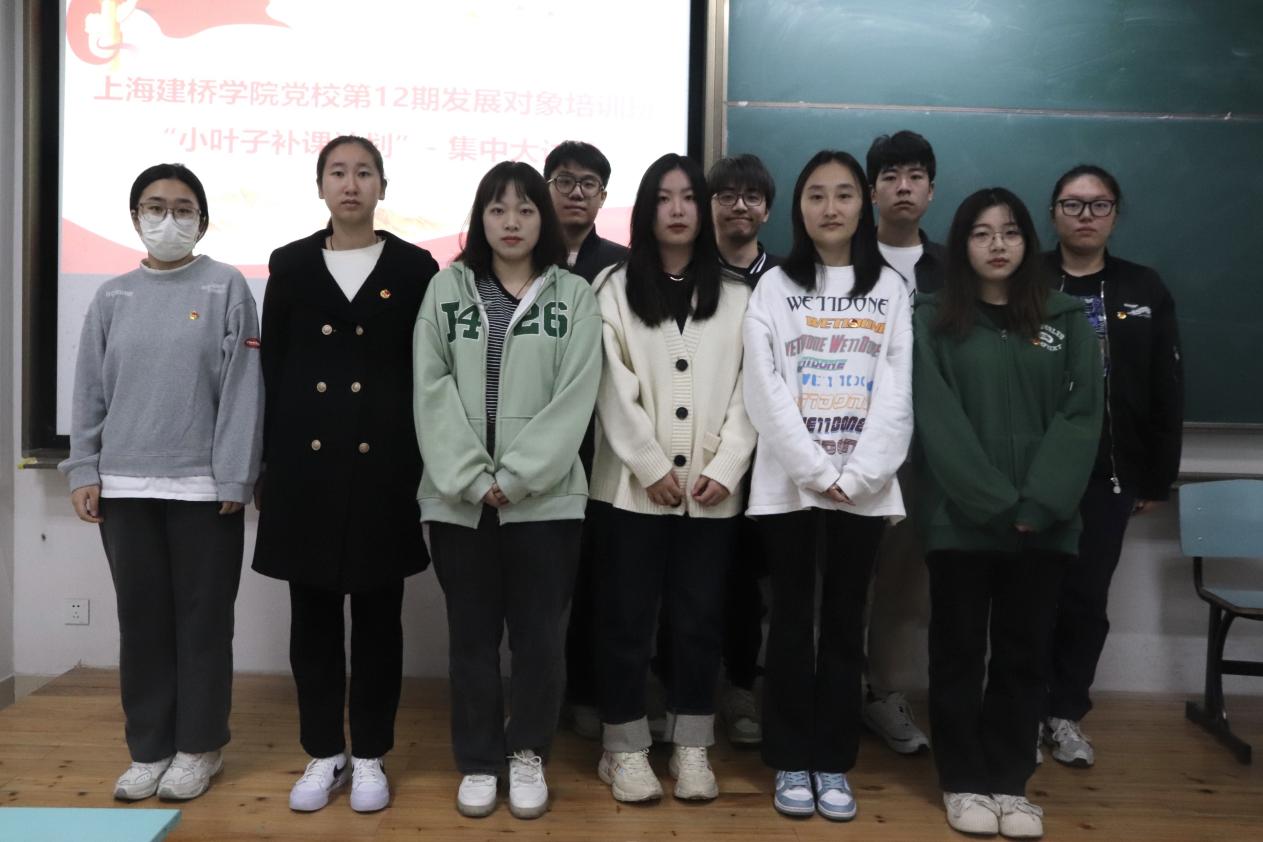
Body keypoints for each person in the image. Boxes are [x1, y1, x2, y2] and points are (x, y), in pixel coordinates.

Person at [60, 163, 263, 802]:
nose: (167, 219)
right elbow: (89, 389)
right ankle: (148, 749)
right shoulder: (111, 296)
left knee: (203, 625)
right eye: (154, 207)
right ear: (135, 217)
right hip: (124, 487)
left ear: (202, 220)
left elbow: (243, 390)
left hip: (203, 489)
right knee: (142, 624)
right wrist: (84, 467)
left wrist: (236, 474)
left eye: (182, 208)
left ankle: (199, 749)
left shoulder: (228, 286)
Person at [251, 135, 439, 814]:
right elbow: (272, 367)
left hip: (384, 467)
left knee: (380, 621)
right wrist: (266, 465)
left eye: (363, 172)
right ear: (320, 185)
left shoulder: (415, 267)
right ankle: (323, 752)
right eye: (338, 172)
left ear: (382, 185)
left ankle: (370, 756)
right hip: (306, 470)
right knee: (313, 622)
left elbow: (427, 370)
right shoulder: (292, 264)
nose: (350, 183)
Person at [413, 161, 602, 819]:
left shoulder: (573, 295)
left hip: (545, 501)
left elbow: (576, 396)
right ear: (481, 218)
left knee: (539, 640)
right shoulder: (446, 288)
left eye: (525, 209)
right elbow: (429, 388)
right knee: (470, 638)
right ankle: (477, 760)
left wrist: (517, 476)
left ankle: (526, 752)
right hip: (459, 501)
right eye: (498, 209)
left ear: (542, 219)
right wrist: (472, 477)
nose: (512, 222)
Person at [913, 187, 1102, 838]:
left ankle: (1009, 782)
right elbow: (936, 418)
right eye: (981, 233)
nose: (997, 245)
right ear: (960, 244)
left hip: (1044, 524)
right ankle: (962, 780)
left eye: (1010, 232)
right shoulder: (931, 317)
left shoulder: (1066, 318)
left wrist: (1040, 502)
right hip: (961, 521)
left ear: (1028, 241)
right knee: (958, 653)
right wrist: (995, 502)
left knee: (1024, 656)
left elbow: (1081, 415)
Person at [742, 150, 913, 821]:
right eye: (816, 195)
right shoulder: (774, 287)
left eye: (843, 194)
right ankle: (790, 756)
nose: (830, 207)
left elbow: (896, 389)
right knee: (789, 622)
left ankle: (833, 760)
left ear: (862, 205)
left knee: (845, 624)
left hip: (864, 489)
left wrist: (861, 475)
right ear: (799, 207)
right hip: (790, 486)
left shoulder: (888, 288)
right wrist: (816, 472)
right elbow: (763, 387)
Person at [591, 153, 756, 803]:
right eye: (664, 198)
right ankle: (624, 748)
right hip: (630, 492)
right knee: (626, 621)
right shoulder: (612, 288)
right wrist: (650, 463)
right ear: (645, 210)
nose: (679, 209)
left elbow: (751, 391)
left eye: (690, 197)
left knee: (699, 622)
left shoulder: (738, 294)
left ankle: (691, 745)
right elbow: (609, 385)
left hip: (711, 494)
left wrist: (726, 464)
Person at [1041, 165, 1183, 768]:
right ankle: (1019, 710)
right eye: (1073, 204)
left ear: (1115, 214)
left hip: (1111, 473)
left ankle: (1064, 712)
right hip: (1036, 471)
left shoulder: (1143, 287)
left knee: (1085, 598)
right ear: (1053, 213)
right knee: (1029, 595)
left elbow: (1165, 384)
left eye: (1099, 205)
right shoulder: (1026, 279)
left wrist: (1158, 474)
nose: (1085, 216)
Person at [856, 130, 945, 756]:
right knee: (836, 581)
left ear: (931, 190)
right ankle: (829, 694)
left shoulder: (954, 267)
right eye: (890, 176)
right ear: (871, 191)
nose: (903, 187)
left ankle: (884, 695)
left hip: (926, 456)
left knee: (900, 586)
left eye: (915, 176)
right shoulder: (842, 258)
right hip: (847, 449)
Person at [543, 141, 629, 741]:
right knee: (541, 587)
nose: (577, 192)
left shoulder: (624, 266)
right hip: (534, 446)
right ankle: (539, 695)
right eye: (565, 180)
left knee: (599, 582)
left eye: (589, 183)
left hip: (605, 447)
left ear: (603, 196)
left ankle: (587, 692)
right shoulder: (519, 255)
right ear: (545, 187)